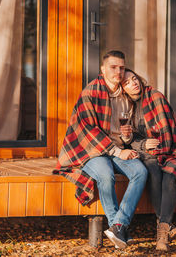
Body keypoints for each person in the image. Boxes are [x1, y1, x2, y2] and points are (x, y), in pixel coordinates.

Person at [53, 51, 148, 249]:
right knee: (105, 175)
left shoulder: (125, 95)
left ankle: (119, 227)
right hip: (91, 150)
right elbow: (88, 130)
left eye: (122, 67)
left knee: (140, 172)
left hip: (118, 148)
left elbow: (125, 134)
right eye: (114, 67)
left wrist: (126, 137)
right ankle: (118, 226)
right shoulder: (91, 92)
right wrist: (116, 151)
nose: (119, 71)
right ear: (103, 69)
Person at [120, 69, 176, 251]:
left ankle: (162, 232)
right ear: (123, 90)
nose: (133, 83)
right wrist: (144, 143)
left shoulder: (155, 97)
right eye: (127, 83)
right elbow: (131, 140)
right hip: (149, 155)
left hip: (169, 152)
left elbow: (169, 131)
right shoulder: (127, 107)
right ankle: (167, 226)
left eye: (134, 79)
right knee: (151, 169)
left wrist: (159, 149)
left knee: (169, 175)